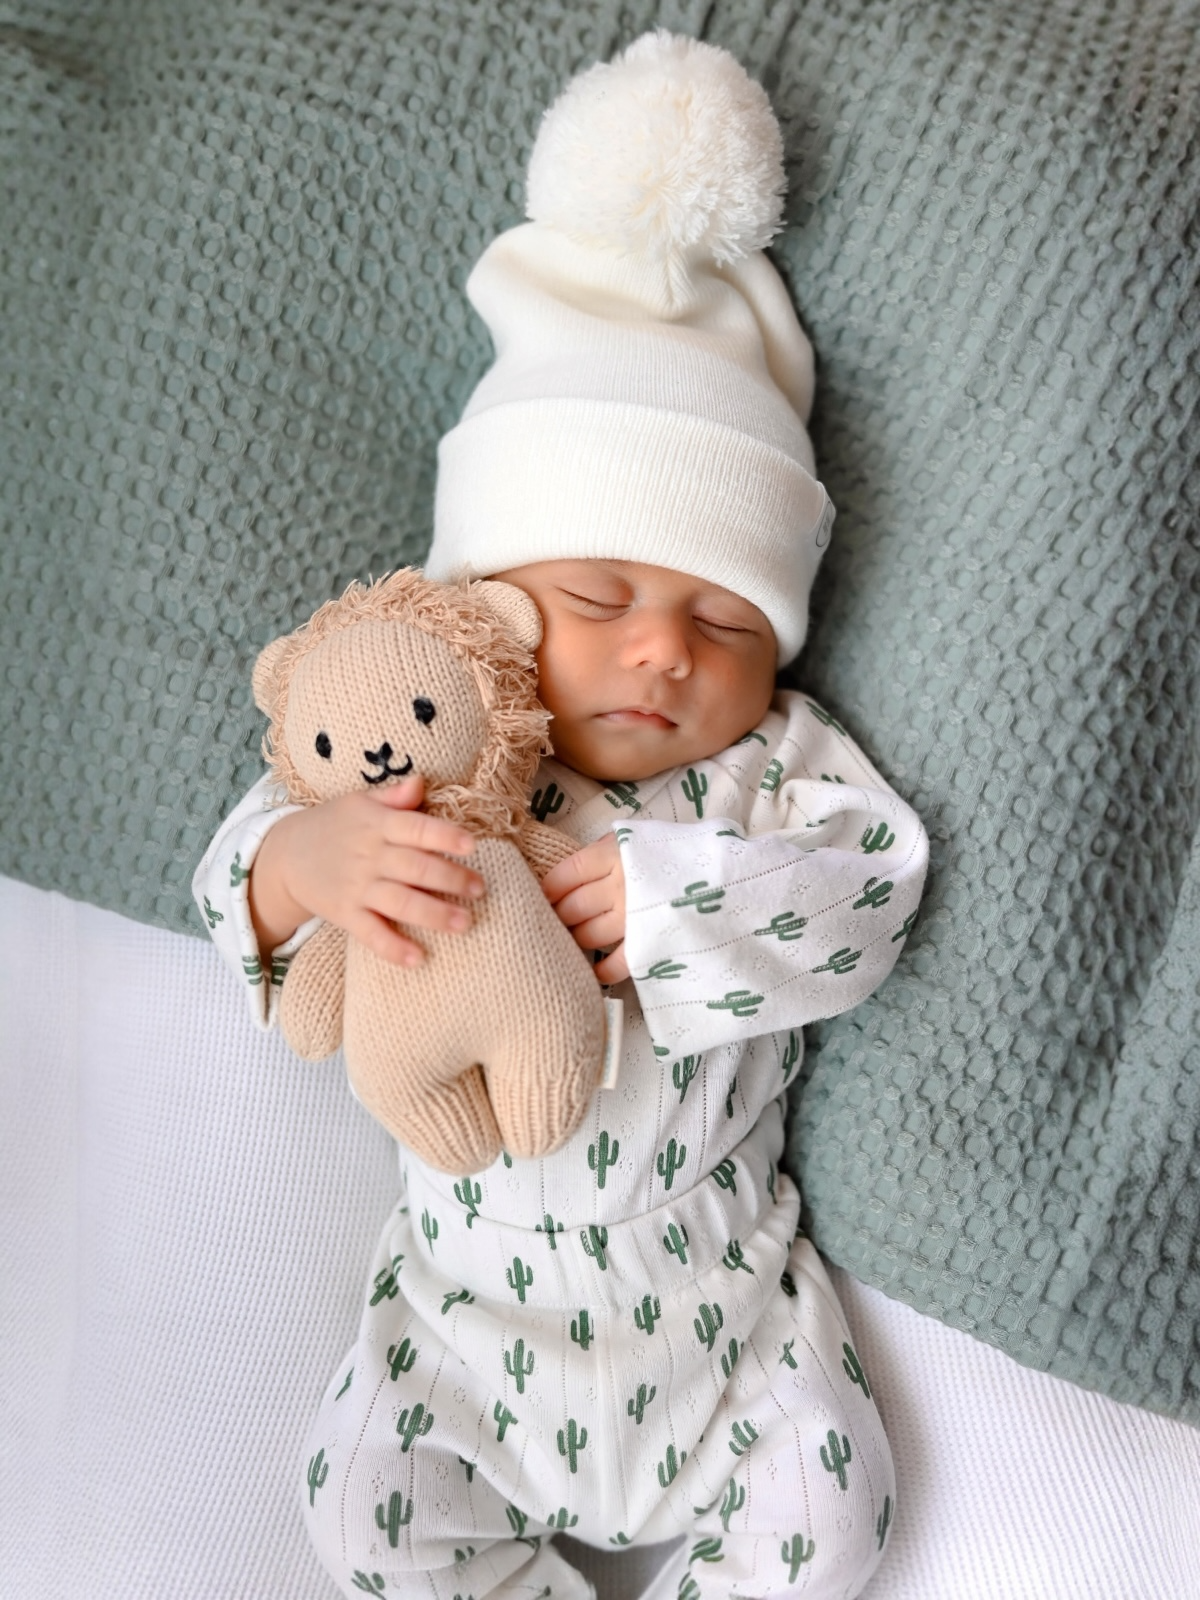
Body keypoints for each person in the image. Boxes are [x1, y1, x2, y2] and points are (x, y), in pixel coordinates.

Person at [193, 31, 928, 1600]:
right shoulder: (415, 752)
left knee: (833, 1506)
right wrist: (297, 866)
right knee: (362, 1509)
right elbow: (243, 902)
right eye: (601, 592)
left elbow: (872, 892)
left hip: (724, 1302)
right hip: (468, 1317)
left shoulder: (766, 766)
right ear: (486, 592)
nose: (666, 648)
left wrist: (681, 902)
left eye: (726, 620)